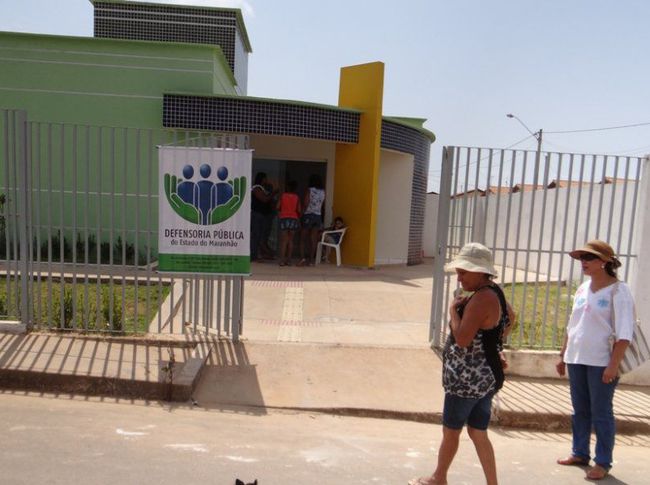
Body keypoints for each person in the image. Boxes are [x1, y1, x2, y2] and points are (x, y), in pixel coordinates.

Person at [410, 242, 514, 485]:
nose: (459, 278)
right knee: (478, 431)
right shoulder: (494, 292)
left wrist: (453, 314)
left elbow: (463, 339)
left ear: (480, 271)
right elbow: (510, 318)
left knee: (451, 431)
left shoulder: (481, 298)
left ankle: (439, 477)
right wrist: (494, 347)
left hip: (466, 381)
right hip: (484, 378)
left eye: (464, 272)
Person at [556, 240, 634, 481]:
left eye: (589, 257)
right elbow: (573, 324)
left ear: (604, 262)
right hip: (577, 358)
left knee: (601, 412)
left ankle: (602, 461)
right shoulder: (583, 288)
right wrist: (563, 355)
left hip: (602, 362)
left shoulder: (619, 291)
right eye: (582, 257)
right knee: (580, 410)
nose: (583, 262)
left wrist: (613, 365)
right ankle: (580, 453)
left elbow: (624, 334)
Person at [297, 174, 325, 266]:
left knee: (302, 238)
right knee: (313, 239)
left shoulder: (310, 190)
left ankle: (302, 259)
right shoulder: (323, 192)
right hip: (318, 216)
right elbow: (322, 204)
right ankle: (311, 260)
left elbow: (306, 203)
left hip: (308, 215)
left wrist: (301, 214)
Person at [276, 180, 301, 266]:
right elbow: (299, 210)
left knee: (284, 241)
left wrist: (280, 214)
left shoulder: (283, 196)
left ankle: (282, 260)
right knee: (290, 240)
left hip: (284, 218)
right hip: (293, 218)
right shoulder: (297, 197)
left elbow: (277, 206)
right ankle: (289, 260)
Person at [250, 172, 274, 261]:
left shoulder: (262, 188)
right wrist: (273, 193)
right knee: (256, 235)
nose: (266, 180)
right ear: (262, 179)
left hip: (262, 215)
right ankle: (253, 255)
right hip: (257, 214)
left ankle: (259, 254)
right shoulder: (256, 188)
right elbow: (264, 199)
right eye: (265, 178)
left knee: (260, 235)